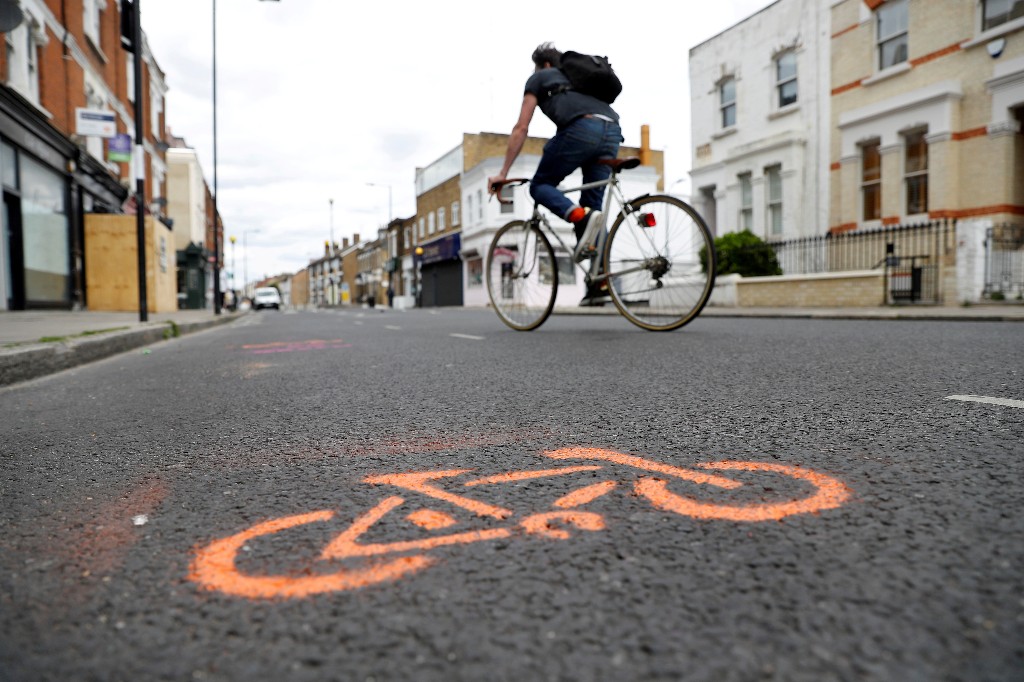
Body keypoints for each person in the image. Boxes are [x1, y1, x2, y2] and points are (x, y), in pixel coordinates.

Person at [488, 42, 623, 304]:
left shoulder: (540, 77)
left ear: (544, 65)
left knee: (539, 186)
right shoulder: (579, 81)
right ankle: (599, 283)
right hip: (613, 131)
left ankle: (575, 215)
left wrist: (503, 172)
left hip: (582, 129)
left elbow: (521, 128)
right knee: (593, 208)